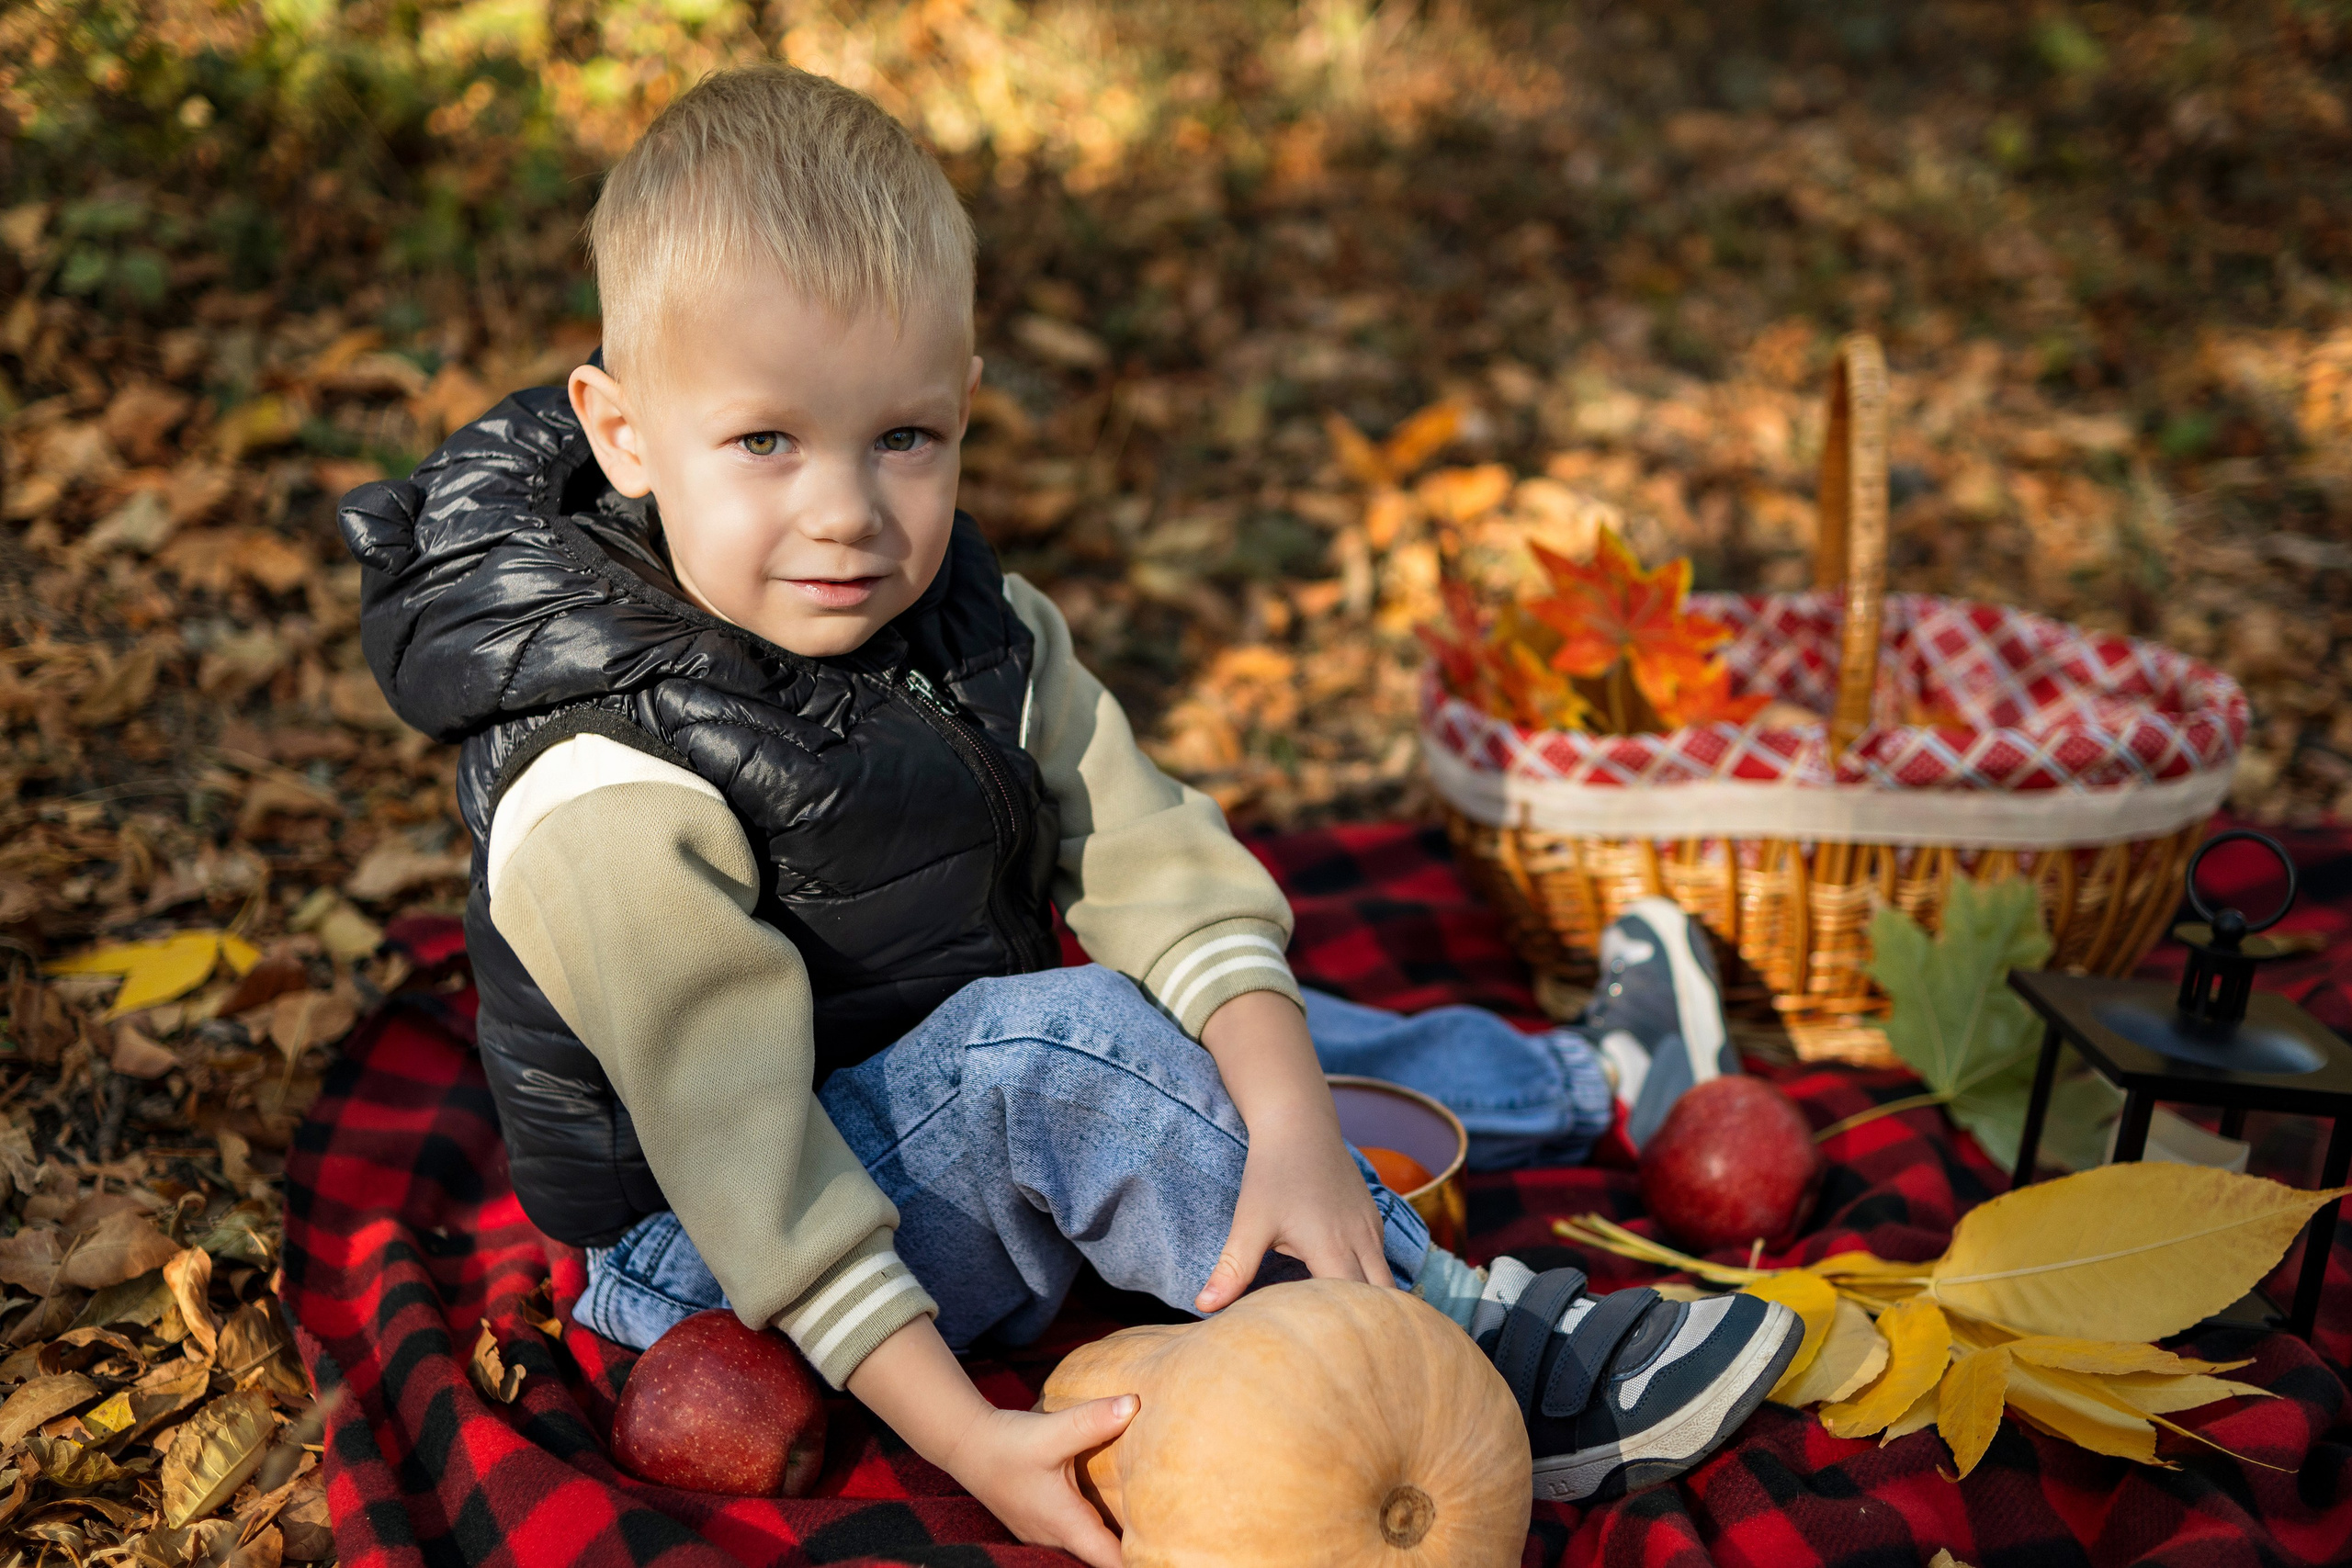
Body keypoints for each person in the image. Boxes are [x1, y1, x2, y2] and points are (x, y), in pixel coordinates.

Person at [339, 64, 1796, 1562]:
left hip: (909, 1101)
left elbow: (1153, 853)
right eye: (767, 441)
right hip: (720, 1251)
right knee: (1067, 1050)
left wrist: (1286, 1120)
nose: (846, 510)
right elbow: (744, 1153)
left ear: (964, 404)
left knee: (1201, 1023)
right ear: (625, 435)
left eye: (903, 437)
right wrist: (965, 1436)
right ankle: (1467, 1354)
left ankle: (1587, 1080)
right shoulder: (603, 783)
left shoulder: (975, 620)